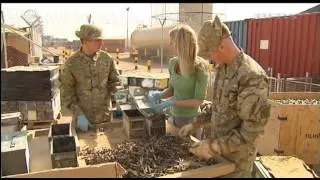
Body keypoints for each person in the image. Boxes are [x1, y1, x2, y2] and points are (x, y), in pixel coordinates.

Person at [178, 16, 271, 178]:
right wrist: (195, 124)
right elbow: (218, 108)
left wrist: (212, 147)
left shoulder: (252, 77)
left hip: (236, 165)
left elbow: (251, 133)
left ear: (220, 46)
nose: (211, 59)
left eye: (210, 54)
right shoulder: (223, 69)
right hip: (218, 158)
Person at [149, 24, 209, 138]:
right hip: (174, 116)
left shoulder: (201, 68)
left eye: (172, 42)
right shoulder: (173, 63)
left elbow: (198, 101)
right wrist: (160, 95)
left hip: (192, 121)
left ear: (181, 44)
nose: (170, 45)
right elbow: (172, 90)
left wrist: (172, 102)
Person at [60, 24, 120, 132]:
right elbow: (67, 94)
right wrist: (79, 115)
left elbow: (115, 82)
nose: (102, 43)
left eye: (101, 39)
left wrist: (119, 98)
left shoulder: (107, 59)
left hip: (106, 119)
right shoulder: (72, 63)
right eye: (97, 40)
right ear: (85, 42)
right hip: (83, 122)